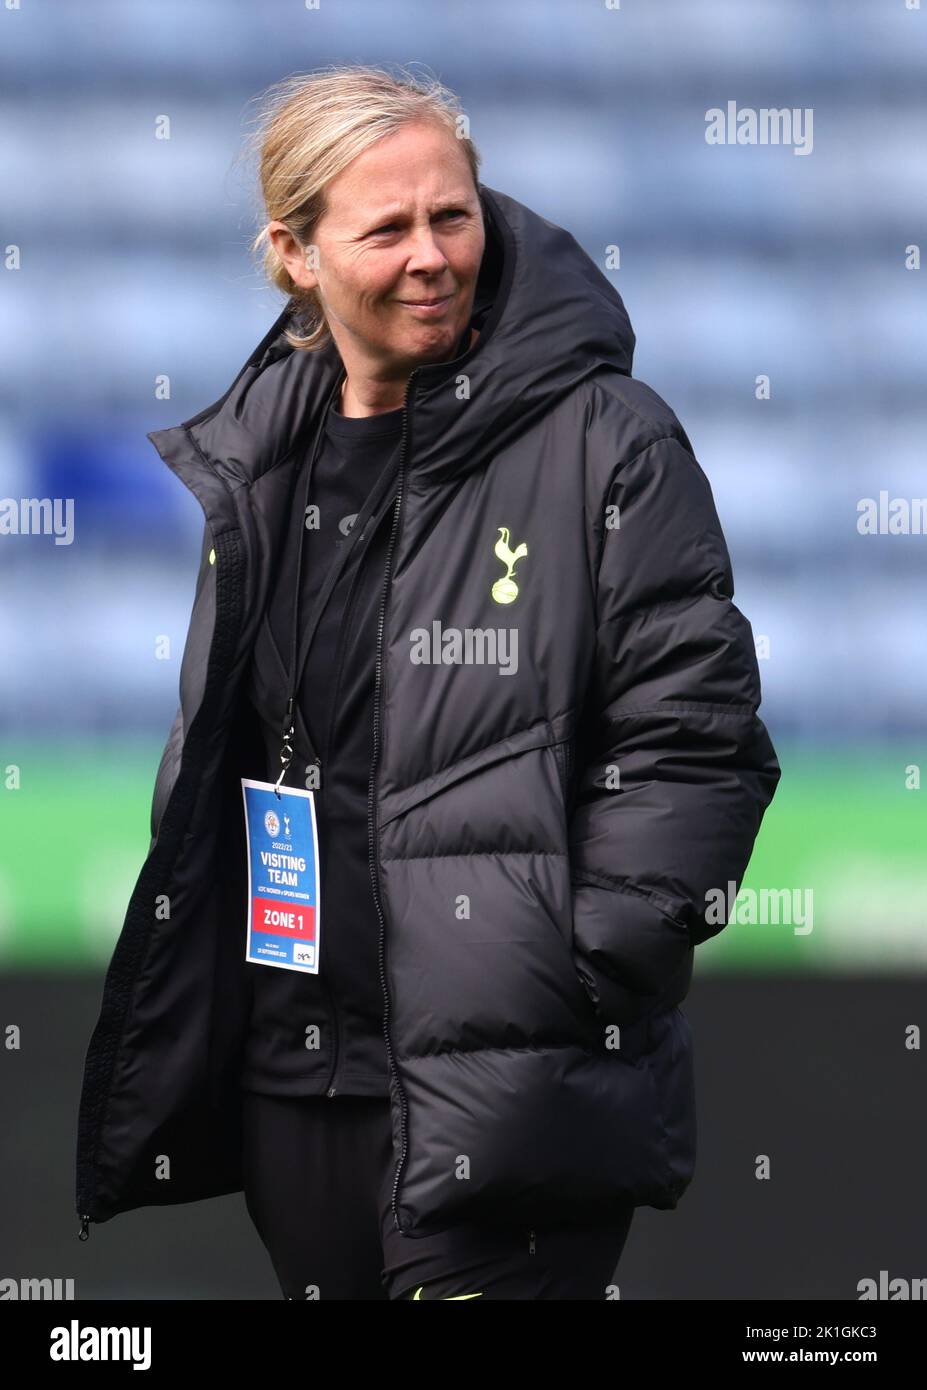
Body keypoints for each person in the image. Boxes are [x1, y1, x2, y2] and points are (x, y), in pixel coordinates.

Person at [75, 65, 781, 1301]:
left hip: (504, 1091)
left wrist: (565, 974)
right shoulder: (261, 458)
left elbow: (700, 746)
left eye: (452, 215)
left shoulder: (609, 439)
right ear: (294, 253)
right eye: (387, 227)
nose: (432, 256)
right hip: (299, 1086)